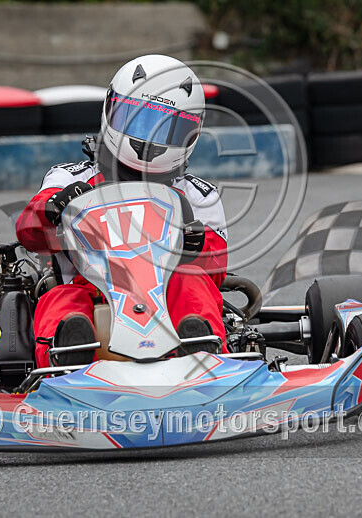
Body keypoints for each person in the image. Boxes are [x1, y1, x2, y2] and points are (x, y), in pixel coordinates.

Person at [15, 54, 228, 368]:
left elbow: (217, 266)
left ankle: (200, 353)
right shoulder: (69, 179)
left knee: (193, 283)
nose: (147, 139)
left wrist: (195, 243)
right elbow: (28, 230)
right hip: (89, 289)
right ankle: (67, 360)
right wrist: (52, 209)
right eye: (137, 120)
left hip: (165, 295)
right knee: (60, 298)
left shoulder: (196, 195)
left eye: (165, 129)